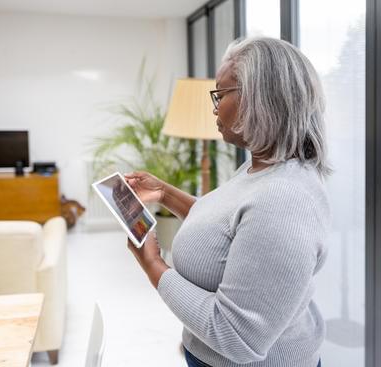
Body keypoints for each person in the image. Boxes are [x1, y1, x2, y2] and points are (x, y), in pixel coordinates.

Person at [125, 37, 330, 367]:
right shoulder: (260, 167)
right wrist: (164, 193)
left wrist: (154, 265)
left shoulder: (284, 200)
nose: (215, 107)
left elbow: (236, 337)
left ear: (261, 97)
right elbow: (223, 228)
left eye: (221, 94)